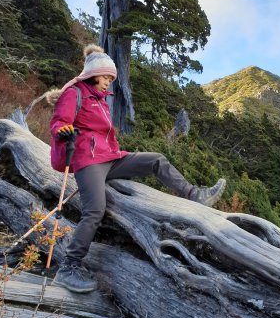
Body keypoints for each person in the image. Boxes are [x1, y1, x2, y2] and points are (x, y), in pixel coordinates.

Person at [47, 44, 226, 294]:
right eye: (106, 77)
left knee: (156, 160)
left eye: (112, 78)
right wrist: (62, 131)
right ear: (93, 73)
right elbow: (59, 122)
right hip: (87, 161)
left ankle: (194, 194)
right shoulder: (75, 93)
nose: (109, 82)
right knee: (95, 211)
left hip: (111, 157)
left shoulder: (101, 101)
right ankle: (68, 268)